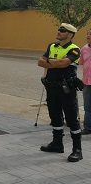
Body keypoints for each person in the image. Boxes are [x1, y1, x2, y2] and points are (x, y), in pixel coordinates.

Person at [38, 23, 83, 162]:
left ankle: (77, 150)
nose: (59, 31)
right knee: (55, 116)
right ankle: (57, 144)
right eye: (59, 29)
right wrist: (56, 62)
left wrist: (50, 62)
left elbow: (64, 64)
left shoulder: (74, 49)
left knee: (71, 119)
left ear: (70, 35)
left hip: (66, 89)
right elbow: (40, 62)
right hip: (51, 87)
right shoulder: (52, 46)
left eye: (62, 30)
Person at [79, 28, 91, 135]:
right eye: (87, 34)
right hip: (86, 82)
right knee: (87, 106)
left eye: (90, 34)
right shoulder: (84, 49)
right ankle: (88, 127)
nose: (88, 36)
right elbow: (81, 62)